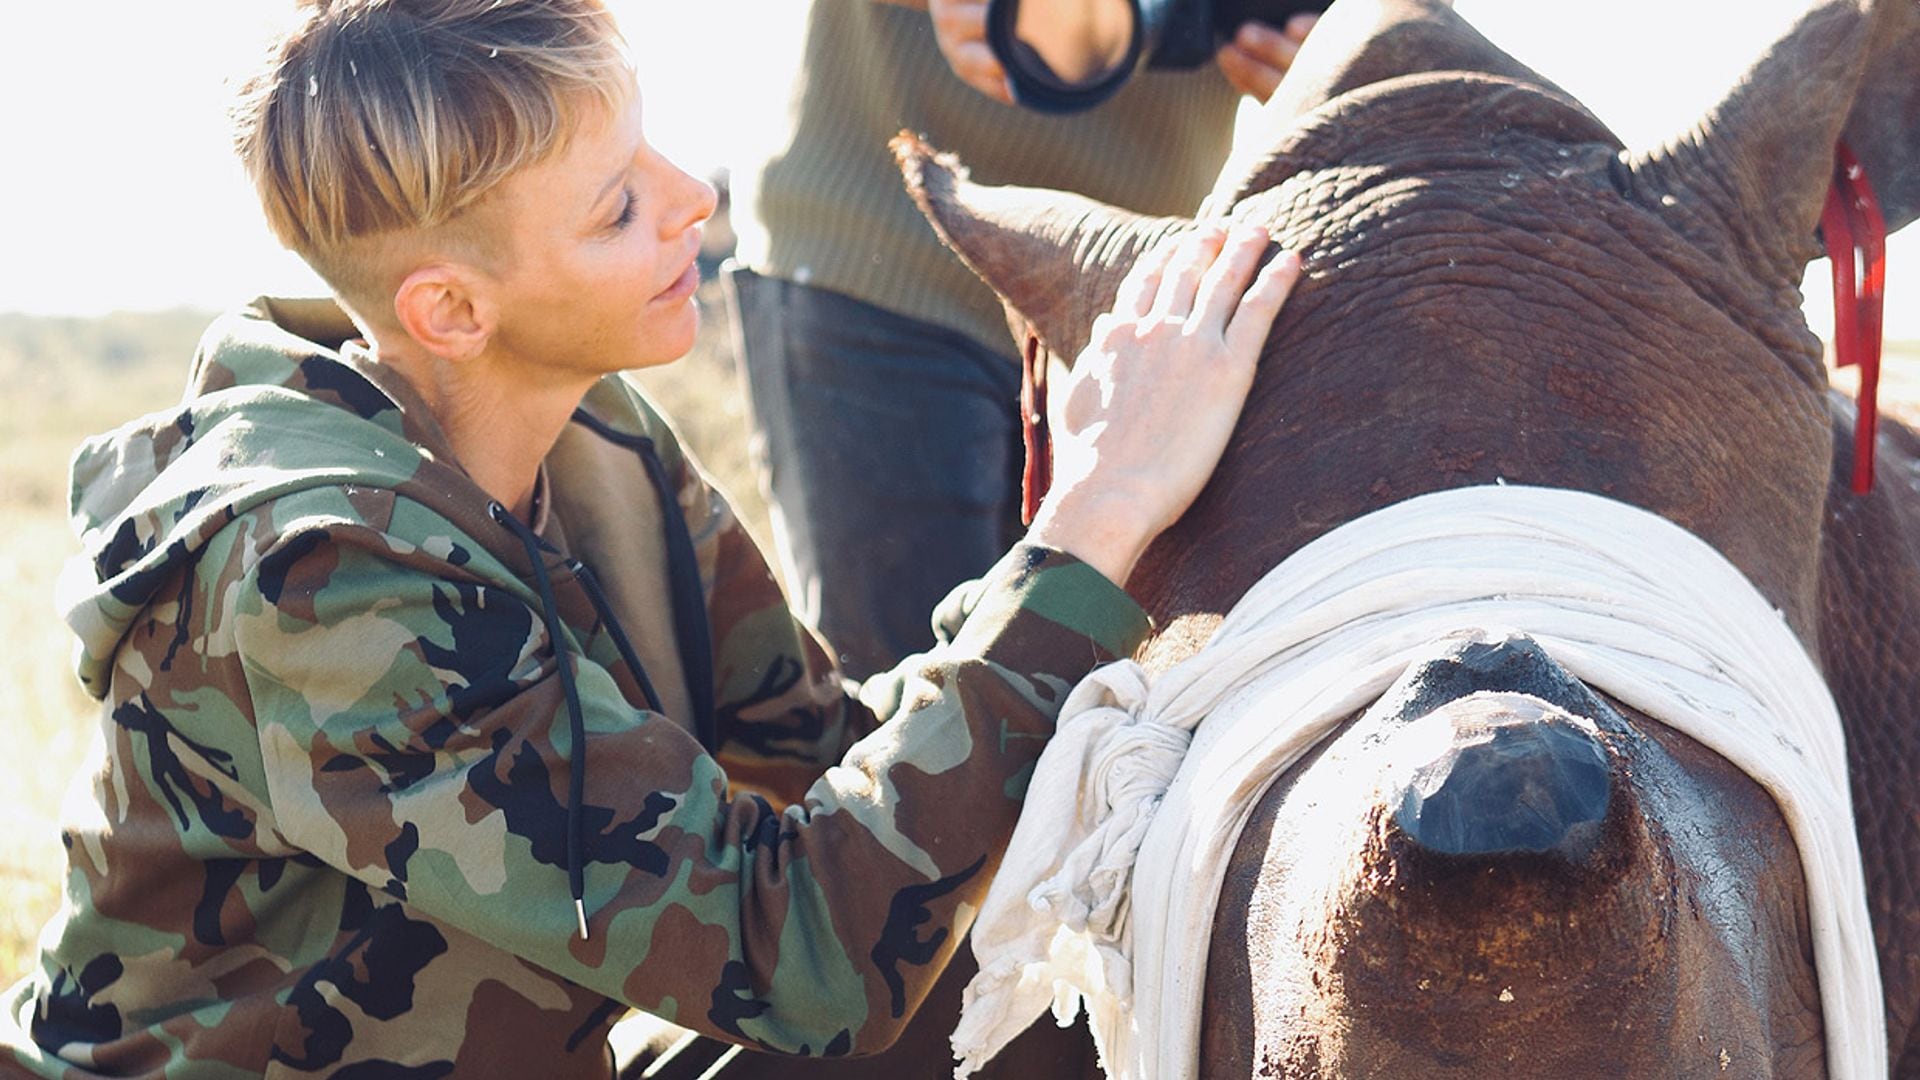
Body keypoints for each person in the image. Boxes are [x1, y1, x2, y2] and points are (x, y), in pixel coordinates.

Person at [0, 0, 1299, 1075]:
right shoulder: (322, 575)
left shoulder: (595, 437)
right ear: (451, 309)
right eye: (616, 207)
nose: (689, 201)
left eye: (655, 157)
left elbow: (828, 760)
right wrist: (1098, 518)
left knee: (1052, 1001)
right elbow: (808, 959)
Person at [728, 0, 1317, 678]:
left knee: (1094, 700)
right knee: (900, 698)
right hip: (881, 253)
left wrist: (1333, 45)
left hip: (1129, 289)